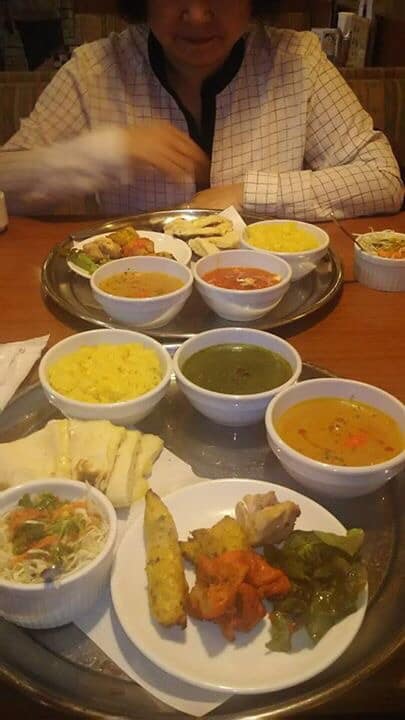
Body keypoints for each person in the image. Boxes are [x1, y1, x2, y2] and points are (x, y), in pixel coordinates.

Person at [0, 0, 403, 218]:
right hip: (135, 301)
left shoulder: (297, 60)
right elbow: (6, 181)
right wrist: (107, 152)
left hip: (261, 296)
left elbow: (383, 179)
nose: (196, 13)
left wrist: (246, 195)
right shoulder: (95, 70)